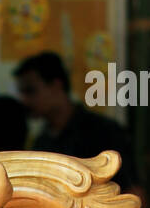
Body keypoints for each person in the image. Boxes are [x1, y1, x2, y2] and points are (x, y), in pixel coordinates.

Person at [14, 51, 140, 196]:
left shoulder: (103, 131)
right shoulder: (41, 142)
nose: (24, 100)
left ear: (56, 85)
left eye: (30, 91)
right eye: (22, 93)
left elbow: (135, 197)